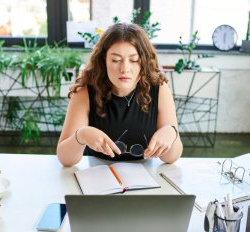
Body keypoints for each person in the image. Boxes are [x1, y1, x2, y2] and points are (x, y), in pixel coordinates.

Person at [57, 22, 182, 166]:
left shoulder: (159, 88)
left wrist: (171, 133)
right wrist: (81, 135)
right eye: (116, 60)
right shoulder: (85, 91)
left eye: (134, 60)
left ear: (145, 61)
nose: (125, 69)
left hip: (144, 177)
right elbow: (65, 159)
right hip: (98, 175)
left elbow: (171, 158)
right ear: (103, 60)